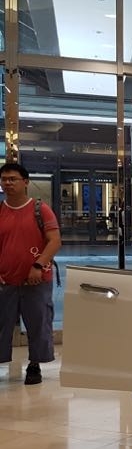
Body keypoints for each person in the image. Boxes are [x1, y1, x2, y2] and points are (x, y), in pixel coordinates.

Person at [0, 163, 61, 385]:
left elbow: (54, 241)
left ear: (25, 182)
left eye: (13, 179)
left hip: (36, 280)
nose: (8, 183)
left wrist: (38, 265)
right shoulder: (0, 211)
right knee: (2, 324)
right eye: (4, 179)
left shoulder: (40, 209)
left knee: (38, 323)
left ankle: (34, 365)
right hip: (5, 279)